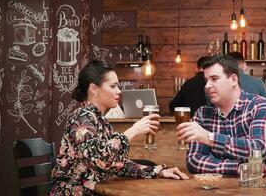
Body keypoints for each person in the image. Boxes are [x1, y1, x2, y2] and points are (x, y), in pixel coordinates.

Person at [50, 60, 188, 195]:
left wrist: (159, 171)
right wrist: (134, 130)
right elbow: (99, 159)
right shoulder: (81, 117)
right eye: (113, 86)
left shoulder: (99, 120)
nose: (119, 91)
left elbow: (118, 165)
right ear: (93, 89)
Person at [176, 55, 266, 175]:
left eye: (214, 78)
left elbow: (259, 149)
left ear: (233, 79)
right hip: (220, 189)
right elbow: (194, 160)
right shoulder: (202, 114)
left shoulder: (260, 106)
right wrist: (237, 167)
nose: (207, 86)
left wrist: (210, 138)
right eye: (206, 80)